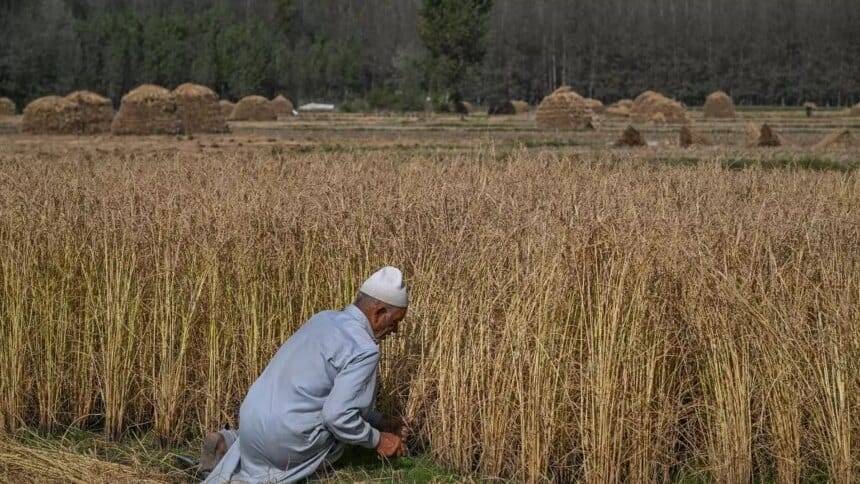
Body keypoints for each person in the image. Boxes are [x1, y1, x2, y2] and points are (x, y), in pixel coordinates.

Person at [201, 266, 411, 483]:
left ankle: (229, 440)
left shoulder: (323, 319)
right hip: (284, 442)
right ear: (378, 314)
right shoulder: (365, 349)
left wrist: (380, 421)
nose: (394, 331)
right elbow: (338, 417)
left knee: (261, 446)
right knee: (336, 445)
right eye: (394, 322)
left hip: (249, 423)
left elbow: (317, 395)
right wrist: (378, 440)